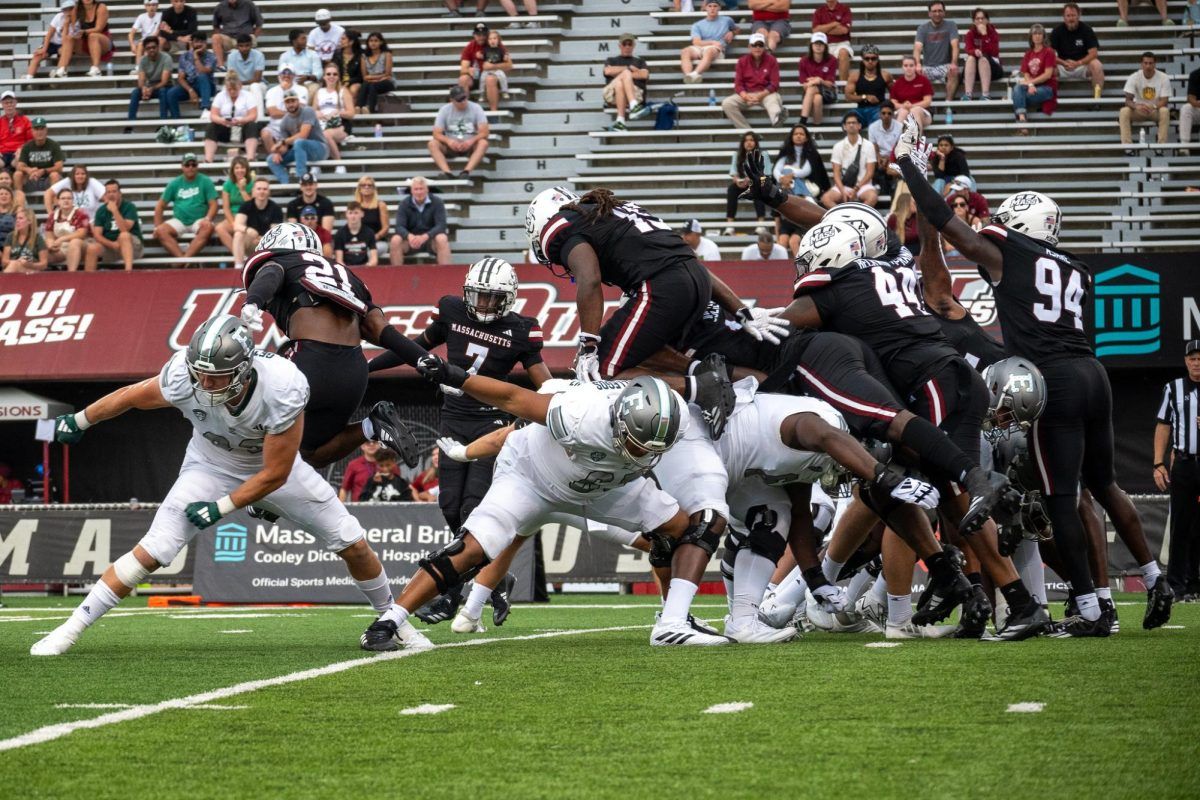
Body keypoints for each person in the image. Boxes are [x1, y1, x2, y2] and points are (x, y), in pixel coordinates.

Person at [893, 116, 1175, 634]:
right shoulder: (1074, 266)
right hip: (1093, 372)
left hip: (1053, 381)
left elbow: (946, 222)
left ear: (1018, 226)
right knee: (1105, 485)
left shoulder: (1012, 254)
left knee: (1060, 497)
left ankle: (1089, 607)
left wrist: (911, 169)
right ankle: (1156, 577)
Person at [32, 314, 411, 657]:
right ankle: (70, 628)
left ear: (244, 370)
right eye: (200, 373)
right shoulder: (183, 376)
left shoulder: (281, 386)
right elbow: (131, 396)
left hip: (270, 467)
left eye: (217, 376)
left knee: (352, 542)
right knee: (155, 548)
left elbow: (275, 474)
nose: (205, 383)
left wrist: (221, 507)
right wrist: (80, 420)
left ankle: (392, 620)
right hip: (209, 465)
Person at [358, 373, 705, 651]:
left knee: (678, 528)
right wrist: (464, 444)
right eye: (636, 442)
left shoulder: (670, 417)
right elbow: (510, 409)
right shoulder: (575, 412)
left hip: (603, 488)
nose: (642, 452)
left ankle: (673, 618)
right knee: (474, 546)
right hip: (531, 479)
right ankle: (390, 620)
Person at [525, 185, 782, 395]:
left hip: (662, 286)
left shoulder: (559, 226)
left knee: (601, 371)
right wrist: (742, 310)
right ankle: (713, 380)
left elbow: (589, 278)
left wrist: (589, 345)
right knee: (644, 354)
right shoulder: (617, 210)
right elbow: (688, 262)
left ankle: (705, 390)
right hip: (697, 280)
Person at [238, 222, 426, 469]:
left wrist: (253, 301)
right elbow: (379, 328)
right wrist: (424, 359)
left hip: (309, 360)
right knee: (312, 452)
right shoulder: (347, 276)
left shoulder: (281, 261)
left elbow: (272, 272)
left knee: (252, 415)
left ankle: (255, 488)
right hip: (354, 371)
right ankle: (372, 426)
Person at [1154, 341, 1200, 600]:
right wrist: (1158, 463)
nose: (1196, 363)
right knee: (1181, 525)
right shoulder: (1173, 388)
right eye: (1192, 358)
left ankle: (1196, 583)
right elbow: (1163, 425)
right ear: (1185, 361)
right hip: (1184, 463)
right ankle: (1177, 585)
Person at [153, 152, 217, 263]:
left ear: (197, 166)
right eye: (187, 165)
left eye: (193, 164)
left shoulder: (205, 181)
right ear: (182, 166)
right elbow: (160, 206)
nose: (190, 167)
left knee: (208, 228)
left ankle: (182, 261)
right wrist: (157, 226)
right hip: (179, 220)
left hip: (199, 220)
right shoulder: (174, 183)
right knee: (160, 231)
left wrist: (207, 219)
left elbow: (214, 204)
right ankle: (184, 260)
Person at [722, 33, 785, 129]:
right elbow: (738, 85)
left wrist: (760, 95)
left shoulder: (772, 60)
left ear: (764, 47)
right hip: (747, 94)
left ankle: (777, 120)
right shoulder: (742, 61)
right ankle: (747, 132)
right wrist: (746, 96)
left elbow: (774, 84)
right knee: (727, 103)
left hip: (766, 94)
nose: (757, 47)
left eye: (760, 45)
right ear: (749, 47)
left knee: (774, 99)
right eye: (754, 45)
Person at [267, 90, 329, 184]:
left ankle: (302, 179)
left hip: (320, 149)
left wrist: (283, 142)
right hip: (299, 151)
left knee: (299, 142)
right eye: (288, 102)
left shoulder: (307, 111)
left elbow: (303, 135)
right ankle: (287, 184)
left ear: (298, 101)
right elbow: (285, 147)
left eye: (293, 101)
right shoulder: (284, 122)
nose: (291, 104)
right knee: (271, 159)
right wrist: (277, 152)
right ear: (284, 104)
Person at [428, 86, 490, 179]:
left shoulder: (476, 108)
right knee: (432, 144)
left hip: (470, 145)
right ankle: (447, 173)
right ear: (452, 100)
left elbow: (485, 132)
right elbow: (436, 133)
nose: (463, 101)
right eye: (459, 100)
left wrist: (471, 141)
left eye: (464, 98)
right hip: (451, 146)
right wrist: (449, 141)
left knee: (483, 143)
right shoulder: (444, 109)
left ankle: (466, 172)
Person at [388, 176, 451, 264]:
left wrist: (425, 236)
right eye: (416, 189)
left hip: (430, 240)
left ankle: (445, 271)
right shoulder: (404, 204)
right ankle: (396, 271)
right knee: (395, 240)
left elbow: (441, 226)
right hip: (410, 241)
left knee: (442, 238)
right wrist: (409, 236)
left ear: (427, 190)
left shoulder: (437, 202)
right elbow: (399, 227)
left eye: (421, 189)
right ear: (411, 191)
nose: (419, 192)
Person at [1050, 3, 1104, 104]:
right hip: (1063, 66)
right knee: (1048, 66)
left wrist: (1078, 63)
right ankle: (1049, 100)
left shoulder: (1087, 30)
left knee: (1097, 65)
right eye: (1068, 15)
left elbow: (1093, 53)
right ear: (1063, 17)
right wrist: (1063, 63)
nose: (1071, 18)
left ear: (1079, 15)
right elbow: (1050, 54)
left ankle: (1097, 100)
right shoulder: (1057, 31)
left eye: (1073, 15)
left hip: (1082, 66)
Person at [822, 112, 878, 208]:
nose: (851, 125)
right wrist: (843, 191)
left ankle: (858, 215)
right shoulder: (838, 146)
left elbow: (870, 172)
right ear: (844, 126)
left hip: (863, 185)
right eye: (848, 123)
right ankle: (842, 216)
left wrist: (856, 188)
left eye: (854, 122)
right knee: (826, 199)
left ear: (859, 126)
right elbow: (836, 174)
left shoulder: (869, 145)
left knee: (872, 197)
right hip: (843, 185)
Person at [86, 179, 144, 270]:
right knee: (92, 248)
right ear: (105, 195)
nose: (111, 194)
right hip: (111, 246)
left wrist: (115, 211)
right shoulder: (101, 210)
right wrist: (112, 244)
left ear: (120, 193)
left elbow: (124, 230)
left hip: (132, 247)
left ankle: (128, 272)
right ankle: (88, 278)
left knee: (124, 236)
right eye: (108, 192)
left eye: (114, 191)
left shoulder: (129, 207)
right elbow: (97, 235)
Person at [912, 1, 959, 113]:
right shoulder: (923, 28)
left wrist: (954, 63)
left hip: (945, 65)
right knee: (916, 74)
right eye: (934, 11)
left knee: (954, 72)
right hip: (928, 66)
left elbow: (955, 45)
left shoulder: (951, 25)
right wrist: (917, 64)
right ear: (929, 13)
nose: (937, 14)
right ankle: (924, 106)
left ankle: (948, 105)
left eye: (940, 11)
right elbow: (917, 48)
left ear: (944, 12)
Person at [1120, 51, 1171, 153]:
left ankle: (1161, 147)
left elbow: (1165, 100)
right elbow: (1128, 100)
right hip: (1139, 110)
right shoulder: (1134, 77)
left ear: (1155, 64)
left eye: (1151, 63)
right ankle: (1127, 147)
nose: (1148, 66)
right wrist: (1136, 106)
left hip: (1155, 110)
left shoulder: (1163, 77)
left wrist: (1153, 106)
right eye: (1146, 63)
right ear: (1141, 64)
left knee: (1165, 111)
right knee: (1124, 111)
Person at [204, 74, 263, 162]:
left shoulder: (248, 96)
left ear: (240, 86)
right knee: (211, 126)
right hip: (226, 127)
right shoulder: (220, 96)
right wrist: (222, 120)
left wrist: (242, 120)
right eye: (229, 89)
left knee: (252, 125)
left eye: (234, 89)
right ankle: (208, 159)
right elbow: (213, 115)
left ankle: (250, 157)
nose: (232, 92)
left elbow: (253, 115)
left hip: (243, 127)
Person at [1012, 24, 1057, 136]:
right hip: (1032, 87)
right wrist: (1030, 85)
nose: (1037, 36)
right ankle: (1022, 120)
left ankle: (1021, 124)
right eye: (1035, 34)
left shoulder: (1049, 52)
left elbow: (1047, 75)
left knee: (1017, 95)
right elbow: (1026, 73)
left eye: (1040, 33)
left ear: (1044, 36)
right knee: (1017, 88)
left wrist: (1030, 83)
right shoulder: (1028, 53)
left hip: (1047, 88)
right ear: (1031, 37)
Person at [724, 130, 771, 235]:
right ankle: (730, 226)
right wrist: (737, 181)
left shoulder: (763, 154)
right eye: (746, 140)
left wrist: (751, 179)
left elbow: (767, 174)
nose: (748, 143)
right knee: (731, 189)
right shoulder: (737, 155)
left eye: (751, 140)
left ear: (756, 142)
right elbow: (734, 173)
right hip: (743, 184)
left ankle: (761, 225)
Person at [681, 1, 738, 84]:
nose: (712, 8)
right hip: (702, 47)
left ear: (719, 8)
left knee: (709, 51)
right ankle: (688, 75)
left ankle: (694, 74)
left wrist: (732, 32)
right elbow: (696, 42)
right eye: (710, 6)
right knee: (685, 51)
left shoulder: (727, 20)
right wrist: (712, 42)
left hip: (717, 49)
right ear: (705, 8)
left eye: (715, 6)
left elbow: (737, 29)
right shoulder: (697, 25)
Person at [126, 35, 176, 128]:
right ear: (145, 50)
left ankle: (163, 124)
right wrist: (144, 89)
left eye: (153, 47)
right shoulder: (143, 60)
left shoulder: (166, 58)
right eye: (148, 48)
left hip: (166, 86)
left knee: (162, 91)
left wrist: (151, 89)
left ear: (158, 47)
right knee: (135, 92)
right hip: (151, 86)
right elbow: (141, 81)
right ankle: (130, 124)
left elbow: (164, 81)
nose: (151, 50)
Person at [602, 33, 649, 131]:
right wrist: (629, 69)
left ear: (634, 45)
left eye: (630, 44)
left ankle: (620, 121)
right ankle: (634, 106)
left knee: (620, 83)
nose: (627, 46)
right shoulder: (611, 60)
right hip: (612, 94)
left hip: (636, 93)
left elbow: (644, 75)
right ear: (620, 46)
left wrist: (619, 74)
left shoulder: (640, 61)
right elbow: (608, 71)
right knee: (626, 73)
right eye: (624, 44)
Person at [231, 177, 281, 268]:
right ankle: (238, 267)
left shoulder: (275, 208)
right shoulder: (246, 206)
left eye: (265, 189)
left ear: (269, 192)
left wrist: (263, 239)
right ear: (253, 191)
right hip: (251, 242)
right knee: (238, 234)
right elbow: (237, 225)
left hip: (267, 245)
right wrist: (248, 230)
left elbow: (275, 232)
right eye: (259, 189)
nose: (262, 191)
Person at [25, 0, 81, 80]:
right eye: (65, 9)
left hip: (64, 45)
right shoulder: (59, 16)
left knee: (64, 51)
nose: (68, 12)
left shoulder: (78, 23)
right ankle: (29, 78)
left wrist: (66, 25)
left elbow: (65, 41)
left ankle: (59, 73)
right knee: (37, 55)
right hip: (52, 43)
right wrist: (44, 49)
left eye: (70, 9)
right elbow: (49, 34)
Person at [260, 67, 309, 156]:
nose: (286, 76)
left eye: (289, 73)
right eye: (283, 73)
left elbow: (299, 110)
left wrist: (287, 91)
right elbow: (273, 113)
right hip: (275, 126)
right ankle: (274, 158)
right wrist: (291, 112)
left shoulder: (302, 89)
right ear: (279, 76)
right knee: (265, 133)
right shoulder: (271, 91)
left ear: (294, 75)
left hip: (294, 126)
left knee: (284, 148)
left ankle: (280, 157)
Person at [167, 32, 217, 114]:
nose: (199, 44)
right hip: (191, 85)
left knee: (202, 77)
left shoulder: (211, 56)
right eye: (196, 41)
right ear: (192, 43)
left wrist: (195, 57)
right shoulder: (185, 56)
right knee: (171, 93)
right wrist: (190, 90)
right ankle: (176, 120)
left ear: (205, 43)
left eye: (202, 42)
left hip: (207, 87)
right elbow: (181, 78)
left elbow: (203, 71)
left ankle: (206, 109)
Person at [314, 64, 355, 164]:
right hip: (322, 123)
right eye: (328, 74)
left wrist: (339, 112)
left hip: (340, 125)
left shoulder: (343, 91)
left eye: (334, 74)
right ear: (324, 77)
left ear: (338, 76)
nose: (331, 76)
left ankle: (339, 164)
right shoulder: (319, 92)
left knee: (325, 134)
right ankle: (316, 166)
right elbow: (312, 111)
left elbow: (351, 113)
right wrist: (317, 113)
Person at [42, 187, 90, 271]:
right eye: (63, 198)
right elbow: (49, 236)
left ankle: (71, 274)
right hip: (60, 248)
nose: (66, 200)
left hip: (81, 246)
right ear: (58, 201)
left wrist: (62, 239)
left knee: (75, 242)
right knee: (42, 252)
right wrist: (51, 244)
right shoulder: (53, 216)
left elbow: (82, 233)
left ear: (73, 200)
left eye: (69, 198)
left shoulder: (81, 213)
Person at [14, 118, 65, 196]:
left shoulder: (54, 145)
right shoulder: (27, 146)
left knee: (55, 175)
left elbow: (59, 167)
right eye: (36, 129)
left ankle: (54, 202)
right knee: (18, 174)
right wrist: (29, 170)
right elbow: (20, 166)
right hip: (32, 179)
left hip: (48, 179)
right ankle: (18, 201)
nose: (39, 132)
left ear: (46, 130)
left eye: (42, 129)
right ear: (32, 131)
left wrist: (43, 171)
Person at [214, 156, 252, 254]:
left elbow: (252, 206)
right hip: (234, 217)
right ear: (233, 170)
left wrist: (242, 190)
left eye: (242, 167)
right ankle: (239, 255)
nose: (240, 170)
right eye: (237, 168)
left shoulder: (252, 183)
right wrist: (233, 224)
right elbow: (226, 208)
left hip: (249, 217)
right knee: (219, 228)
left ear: (246, 169)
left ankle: (240, 256)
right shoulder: (228, 184)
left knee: (241, 233)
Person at [798, 32, 838, 126]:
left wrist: (820, 80)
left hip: (828, 92)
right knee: (817, 98)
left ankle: (803, 121)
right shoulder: (804, 61)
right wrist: (814, 82)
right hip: (810, 92)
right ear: (811, 45)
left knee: (812, 89)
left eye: (821, 44)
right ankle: (817, 127)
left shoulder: (832, 60)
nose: (818, 46)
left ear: (825, 46)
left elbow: (830, 84)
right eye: (816, 43)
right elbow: (804, 85)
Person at [845, 44, 891, 126]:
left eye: (873, 58)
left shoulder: (885, 75)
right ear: (862, 60)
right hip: (860, 109)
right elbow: (848, 96)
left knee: (879, 120)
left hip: (878, 109)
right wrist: (865, 97)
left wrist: (888, 106)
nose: (870, 61)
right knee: (849, 120)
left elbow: (895, 93)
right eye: (867, 58)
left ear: (877, 59)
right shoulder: (855, 76)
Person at [962, 7, 1001, 101]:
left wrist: (984, 35)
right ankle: (968, 94)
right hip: (974, 70)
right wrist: (974, 51)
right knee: (971, 58)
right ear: (973, 21)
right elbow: (968, 49)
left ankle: (986, 94)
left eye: (982, 18)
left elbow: (993, 52)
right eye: (977, 18)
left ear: (987, 20)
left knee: (983, 59)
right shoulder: (970, 34)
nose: (980, 21)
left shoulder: (993, 33)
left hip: (992, 68)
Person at [210, 0, 261, 69]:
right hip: (229, 38)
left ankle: (249, 66)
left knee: (250, 38)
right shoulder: (220, 6)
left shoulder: (249, 5)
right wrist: (221, 35)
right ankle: (220, 66)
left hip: (246, 38)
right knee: (215, 37)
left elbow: (259, 23)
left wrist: (254, 36)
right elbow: (216, 25)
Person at [811, 0, 853, 81]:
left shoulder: (845, 9)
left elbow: (843, 30)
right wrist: (833, 24)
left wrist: (823, 29)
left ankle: (843, 85)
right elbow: (815, 31)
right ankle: (822, 85)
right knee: (816, 53)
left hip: (841, 43)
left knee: (843, 52)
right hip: (824, 43)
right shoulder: (819, 11)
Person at [278, 29, 323, 103]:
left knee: (315, 88)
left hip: (309, 83)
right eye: (303, 39)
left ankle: (302, 107)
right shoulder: (284, 56)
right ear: (294, 41)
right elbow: (280, 75)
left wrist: (307, 77)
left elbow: (319, 74)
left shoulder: (313, 54)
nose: (306, 41)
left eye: (306, 38)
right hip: (291, 84)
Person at [357, 31, 395, 115]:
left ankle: (369, 108)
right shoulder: (364, 56)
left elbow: (388, 74)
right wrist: (377, 78)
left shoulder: (387, 54)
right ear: (368, 43)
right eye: (371, 41)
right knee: (366, 84)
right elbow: (364, 77)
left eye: (376, 41)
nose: (373, 43)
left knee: (372, 85)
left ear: (381, 42)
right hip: (371, 82)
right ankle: (358, 107)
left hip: (387, 82)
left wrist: (372, 78)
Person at [890, 55, 933, 130]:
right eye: (906, 65)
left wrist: (912, 106)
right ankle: (896, 137)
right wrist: (903, 106)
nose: (908, 68)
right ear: (902, 67)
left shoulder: (923, 80)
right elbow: (893, 103)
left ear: (915, 66)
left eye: (911, 65)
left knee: (914, 111)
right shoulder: (897, 83)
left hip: (922, 112)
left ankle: (917, 137)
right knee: (903, 112)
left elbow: (927, 101)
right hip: (902, 111)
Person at [75, 0, 114, 78]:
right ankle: (61, 69)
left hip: (102, 40)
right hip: (83, 41)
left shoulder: (101, 7)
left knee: (93, 36)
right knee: (68, 38)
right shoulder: (76, 8)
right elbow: (72, 27)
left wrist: (84, 32)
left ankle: (96, 68)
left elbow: (99, 28)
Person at [3, 208, 48, 273]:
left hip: (32, 270)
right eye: (17, 218)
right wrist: (18, 262)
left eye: (21, 218)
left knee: (14, 265)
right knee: (14, 264)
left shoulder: (38, 238)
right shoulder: (10, 236)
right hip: (13, 267)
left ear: (29, 221)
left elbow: (44, 264)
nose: (17, 221)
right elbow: (4, 261)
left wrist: (30, 265)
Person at [334, 201, 377, 266]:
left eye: (356, 213)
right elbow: (339, 260)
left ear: (362, 214)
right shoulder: (340, 233)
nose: (353, 216)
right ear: (346, 214)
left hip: (365, 267)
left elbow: (374, 259)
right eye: (350, 213)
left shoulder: (369, 232)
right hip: (347, 268)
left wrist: (367, 267)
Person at [479, 30, 513, 113]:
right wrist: (479, 55)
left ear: (498, 40)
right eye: (490, 39)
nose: (492, 40)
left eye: (494, 38)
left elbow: (506, 60)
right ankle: (482, 93)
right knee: (482, 79)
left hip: (497, 70)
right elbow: (482, 57)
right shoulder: (485, 49)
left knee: (502, 76)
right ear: (487, 41)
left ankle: (504, 91)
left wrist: (505, 57)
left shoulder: (501, 49)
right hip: (487, 70)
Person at [227, 33, 266, 104]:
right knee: (226, 89)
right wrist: (237, 84)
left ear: (251, 45)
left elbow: (257, 79)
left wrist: (240, 83)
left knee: (255, 86)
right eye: (241, 46)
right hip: (238, 86)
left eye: (247, 45)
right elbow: (231, 77)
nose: (244, 48)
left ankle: (258, 111)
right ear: (237, 46)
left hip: (258, 85)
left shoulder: (259, 55)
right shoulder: (231, 56)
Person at [0, 92, 33, 174]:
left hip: (17, 152)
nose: (9, 105)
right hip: (2, 153)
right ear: (2, 104)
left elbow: (31, 140)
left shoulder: (25, 120)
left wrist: (22, 148)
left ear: (15, 103)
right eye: (6, 103)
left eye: (11, 102)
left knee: (21, 158)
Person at [353, 174, 388, 246]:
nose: (366, 187)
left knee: (369, 251)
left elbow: (385, 228)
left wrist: (374, 237)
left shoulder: (381, 205)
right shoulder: (355, 206)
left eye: (369, 185)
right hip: (359, 241)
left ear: (374, 188)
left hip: (378, 241)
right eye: (363, 185)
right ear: (359, 189)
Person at [128, 0, 163, 71]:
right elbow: (131, 34)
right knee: (140, 44)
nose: (151, 7)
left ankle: (157, 66)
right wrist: (132, 45)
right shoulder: (141, 17)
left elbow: (158, 31)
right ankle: (138, 67)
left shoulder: (161, 15)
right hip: (145, 41)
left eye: (153, 5)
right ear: (145, 6)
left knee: (158, 41)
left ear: (157, 6)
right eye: (149, 5)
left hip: (156, 39)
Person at [458, 22, 490, 97]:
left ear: (488, 34)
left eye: (484, 34)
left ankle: (493, 105)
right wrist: (469, 70)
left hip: (490, 76)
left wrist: (493, 66)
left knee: (490, 79)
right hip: (476, 78)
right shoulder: (470, 47)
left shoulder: (494, 43)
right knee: (463, 79)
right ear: (474, 35)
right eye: (479, 35)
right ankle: (464, 102)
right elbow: (463, 69)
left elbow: (509, 65)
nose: (481, 37)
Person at [331, 29, 363, 103]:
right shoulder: (337, 54)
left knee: (353, 89)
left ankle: (351, 109)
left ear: (351, 42)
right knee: (339, 89)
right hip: (339, 80)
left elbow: (361, 76)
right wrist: (338, 81)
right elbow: (333, 69)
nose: (340, 41)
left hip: (355, 81)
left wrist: (349, 82)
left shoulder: (360, 55)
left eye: (343, 39)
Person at [1182, 65, 1200, 152]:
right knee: (1186, 108)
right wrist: (1196, 103)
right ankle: (1184, 148)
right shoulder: (1195, 74)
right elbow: (1190, 98)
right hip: (1199, 107)